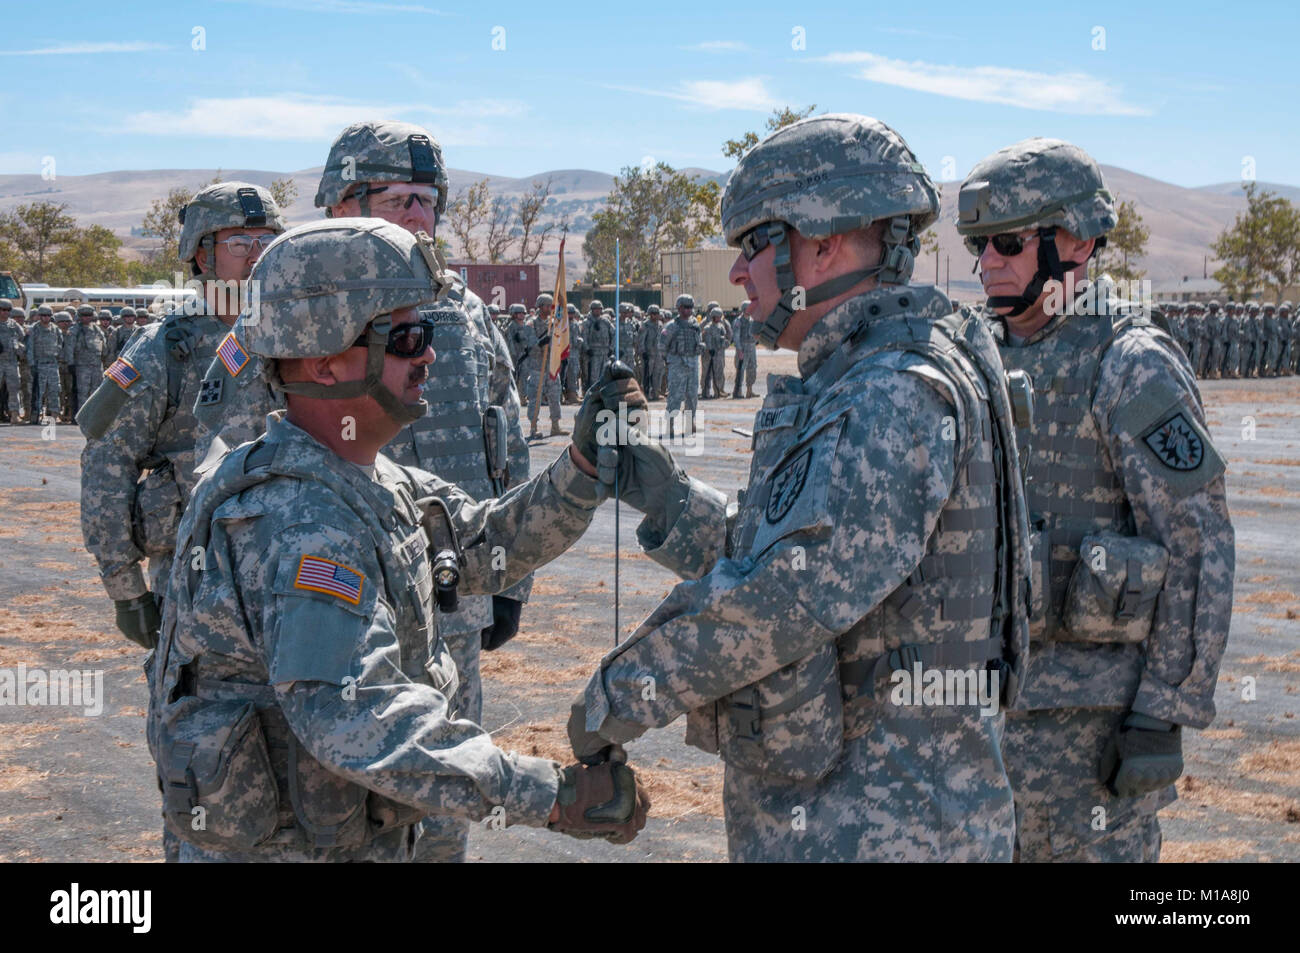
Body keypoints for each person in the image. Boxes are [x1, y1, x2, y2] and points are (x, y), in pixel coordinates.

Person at [567, 113, 1032, 862]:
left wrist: (621, 690)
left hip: (884, 828)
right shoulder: (862, 374)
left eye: (755, 246)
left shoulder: (891, 391)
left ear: (823, 242)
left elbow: (791, 595)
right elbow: (799, 548)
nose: (740, 272)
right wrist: (669, 499)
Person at [147, 218, 648, 862]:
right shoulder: (301, 521)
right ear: (325, 362)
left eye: (427, 333)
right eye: (407, 337)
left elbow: (483, 543)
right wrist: (549, 794)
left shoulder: (363, 475)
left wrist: (581, 469)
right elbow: (359, 715)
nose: (428, 355)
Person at [956, 137, 1234, 861]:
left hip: (1089, 737)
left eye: (1009, 243)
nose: (988, 262)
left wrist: (1165, 709)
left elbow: (1197, 545)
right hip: (980, 720)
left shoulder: (1130, 366)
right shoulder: (979, 357)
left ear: (1076, 243)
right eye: (980, 244)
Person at [77, 181, 285, 651]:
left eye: (267, 243)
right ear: (202, 256)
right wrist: (125, 591)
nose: (257, 256)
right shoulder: (164, 350)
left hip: (292, 572)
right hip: (195, 580)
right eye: (239, 243)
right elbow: (107, 469)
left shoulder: (300, 339)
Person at [661, 293, 701, 434]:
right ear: (679, 308)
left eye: (690, 307)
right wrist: (669, 362)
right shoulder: (672, 326)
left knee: (692, 396)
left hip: (692, 364)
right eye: (685, 307)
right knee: (675, 396)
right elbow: (662, 346)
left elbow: (698, 341)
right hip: (677, 364)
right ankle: (670, 424)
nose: (688, 310)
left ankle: (690, 423)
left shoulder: (695, 325)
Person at [731, 300, 757, 398]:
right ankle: (738, 391)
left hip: (752, 347)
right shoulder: (738, 321)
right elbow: (736, 338)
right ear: (744, 309)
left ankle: (749, 390)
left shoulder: (752, 320)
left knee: (752, 368)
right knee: (741, 370)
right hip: (743, 347)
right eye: (748, 309)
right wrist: (739, 351)